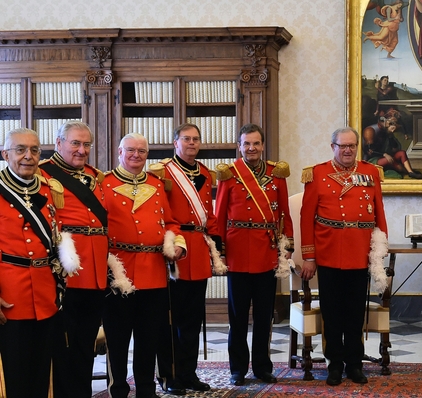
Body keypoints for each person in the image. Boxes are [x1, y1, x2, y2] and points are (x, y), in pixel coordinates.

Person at [300, 127, 388, 386]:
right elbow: (306, 218)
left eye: (352, 146)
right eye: (342, 146)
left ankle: (354, 364)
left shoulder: (370, 172)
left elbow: (379, 212)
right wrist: (309, 256)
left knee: (354, 314)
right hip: (328, 253)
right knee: (332, 314)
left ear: (357, 147)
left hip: (359, 253)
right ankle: (334, 365)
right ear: (333, 147)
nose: (347, 150)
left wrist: (379, 251)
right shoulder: (317, 173)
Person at [103, 133, 187, 398]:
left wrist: (178, 244)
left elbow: (171, 222)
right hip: (118, 271)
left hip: (153, 271)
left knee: (148, 338)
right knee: (117, 339)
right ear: (119, 151)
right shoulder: (103, 183)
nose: (136, 155)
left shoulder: (157, 184)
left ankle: (146, 390)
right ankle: (117, 389)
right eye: (130, 150)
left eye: (142, 151)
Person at [0, 128, 78, 398]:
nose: (28, 156)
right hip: (10, 294)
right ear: (5, 154)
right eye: (20, 150)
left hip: (45, 291)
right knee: (14, 370)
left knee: (42, 367)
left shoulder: (47, 189)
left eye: (34, 150)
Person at [214, 123, 293, 386]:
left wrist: (287, 246)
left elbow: (284, 213)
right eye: (246, 143)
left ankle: (261, 366)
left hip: (266, 253)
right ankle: (237, 368)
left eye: (256, 143)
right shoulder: (230, 174)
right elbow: (220, 215)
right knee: (237, 317)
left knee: (263, 316)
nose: (251, 148)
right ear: (240, 146)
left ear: (262, 145)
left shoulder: (276, 174)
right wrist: (220, 252)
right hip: (237, 254)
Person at [152, 123, 225, 394]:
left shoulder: (205, 172)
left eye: (195, 139)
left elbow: (209, 213)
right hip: (176, 249)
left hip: (199, 249)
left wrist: (216, 239)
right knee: (171, 320)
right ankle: (169, 376)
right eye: (186, 139)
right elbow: (158, 212)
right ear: (175, 142)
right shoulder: (163, 172)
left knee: (193, 320)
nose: (191, 143)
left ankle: (188, 373)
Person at [40, 122, 109, 398]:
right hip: (65, 273)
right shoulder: (43, 174)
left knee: (85, 343)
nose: (82, 150)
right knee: (64, 345)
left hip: (94, 272)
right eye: (75, 143)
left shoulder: (96, 177)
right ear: (58, 143)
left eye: (86, 145)